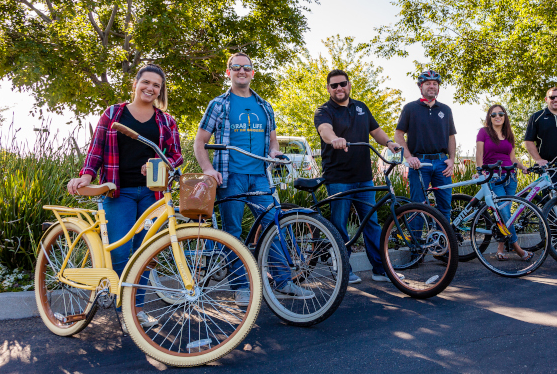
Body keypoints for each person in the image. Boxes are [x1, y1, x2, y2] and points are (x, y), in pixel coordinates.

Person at [67, 64, 183, 328]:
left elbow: (176, 155)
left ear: (160, 90)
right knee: (120, 252)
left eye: (156, 85)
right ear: (136, 83)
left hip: (152, 195)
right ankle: (121, 303)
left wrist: (160, 163)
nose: (150, 88)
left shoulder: (166, 120)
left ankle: (136, 309)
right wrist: (86, 176)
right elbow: (95, 150)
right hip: (119, 191)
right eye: (146, 82)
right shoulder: (113, 113)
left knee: (145, 253)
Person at [194, 52, 313, 306]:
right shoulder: (219, 104)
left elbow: (272, 141)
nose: (241, 71)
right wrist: (207, 169)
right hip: (230, 178)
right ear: (228, 72)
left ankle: (283, 282)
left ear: (252, 73)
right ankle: (240, 287)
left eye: (246, 68)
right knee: (233, 233)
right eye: (236, 67)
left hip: (260, 177)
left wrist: (274, 152)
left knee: (275, 226)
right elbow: (200, 142)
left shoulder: (264, 105)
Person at [314, 69, 402, 284]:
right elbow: (325, 130)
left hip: (364, 177)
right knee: (339, 226)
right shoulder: (323, 110)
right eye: (333, 85)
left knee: (371, 223)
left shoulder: (361, 107)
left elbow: (376, 131)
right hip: (338, 179)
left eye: (342, 84)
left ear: (349, 84)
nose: (339, 88)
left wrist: (389, 142)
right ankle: (343, 270)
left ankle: (381, 270)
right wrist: (335, 139)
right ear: (328, 89)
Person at [394, 70, 457, 221]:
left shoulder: (446, 110)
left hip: (442, 163)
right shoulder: (410, 108)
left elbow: (451, 137)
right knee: (417, 207)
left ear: (438, 88)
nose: (432, 86)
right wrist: (408, 157)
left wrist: (452, 159)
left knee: (445, 207)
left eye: (435, 84)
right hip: (419, 164)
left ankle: (442, 242)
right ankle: (417, 242)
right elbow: (398, 134)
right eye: (428, 83)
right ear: (420, 87)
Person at [475, 104, 532, 261]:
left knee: (505, 215)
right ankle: (518, 249)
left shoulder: (509, 134)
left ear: (505, 116)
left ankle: (500, 249)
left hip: (510, 178)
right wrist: (480, 172)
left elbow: (512, 158)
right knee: (505, 214)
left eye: (501, 113)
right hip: (493, 177)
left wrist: (523, 167)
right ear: (490, 117)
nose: (497, 116)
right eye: (494, 115)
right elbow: (479, 153)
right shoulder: (483, 132)